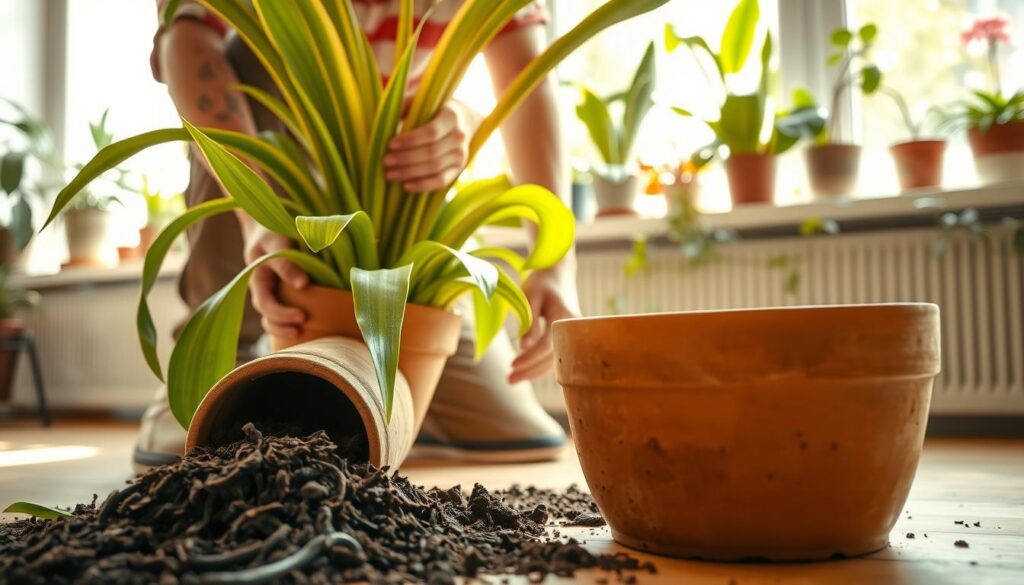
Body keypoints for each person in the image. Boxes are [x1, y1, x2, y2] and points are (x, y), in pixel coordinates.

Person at [134, 0, 580, 471]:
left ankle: (362, 402)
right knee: (241, 48)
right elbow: (185, 38)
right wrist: (258, 214)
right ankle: (223, 365)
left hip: (397, 203)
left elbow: (527, 79)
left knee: (512, 431)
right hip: (279, 175)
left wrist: (553, 263)